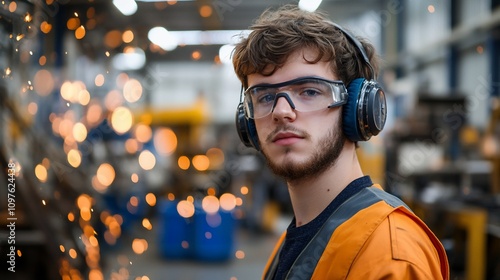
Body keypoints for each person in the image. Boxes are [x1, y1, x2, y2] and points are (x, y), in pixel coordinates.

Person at [232, 4, 449, 280]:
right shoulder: (293, 242)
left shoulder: (390, 253)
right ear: (247, 122)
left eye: (309, 91)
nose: (281, 111)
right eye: (264, 97)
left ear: (358, 110)